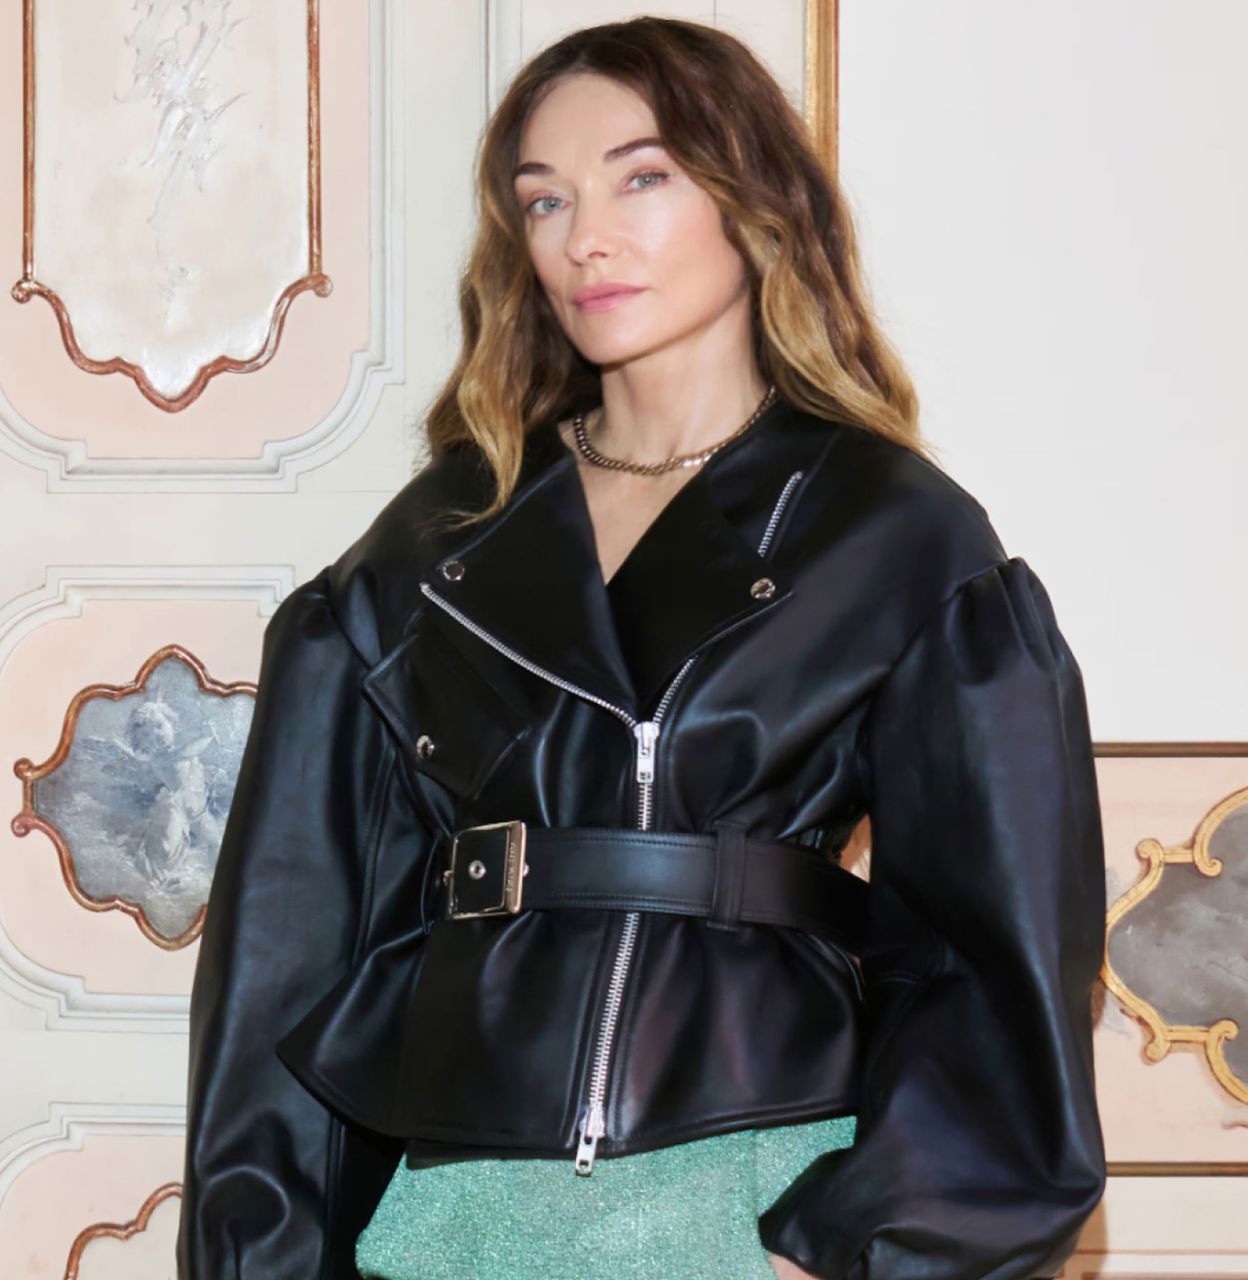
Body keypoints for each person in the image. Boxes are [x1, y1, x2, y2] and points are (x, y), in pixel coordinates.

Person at [176, 16, 1108, 1280]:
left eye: (641, 177)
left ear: (752, 197)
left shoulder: (889, 534)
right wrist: (262, 1255)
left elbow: (991, 955)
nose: (583, 237)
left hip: (753, 1186)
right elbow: (290, 953)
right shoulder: (435, 539)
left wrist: (862, 1244)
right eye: (544, 198)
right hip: (460, 1206)